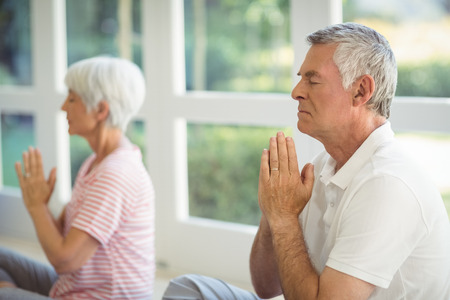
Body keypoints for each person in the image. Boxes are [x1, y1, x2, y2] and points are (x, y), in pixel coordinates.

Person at [162, 22, 450, 300]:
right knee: (188, 289)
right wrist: (273, 212)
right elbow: (266, 286)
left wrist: (286, 218)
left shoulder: (388, 184)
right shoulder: (325, 163)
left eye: (312, 80)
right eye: (300, 78)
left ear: (361, 91)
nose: (296, 92)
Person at [0, 56, 155, 299]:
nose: (63, 107)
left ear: (101, 110)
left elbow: (64, 261)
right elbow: (63, 236)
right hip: (71, 287)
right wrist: (40, 204)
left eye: (72, 98)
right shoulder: (95, 162)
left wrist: (35, 207)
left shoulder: (115, 174)